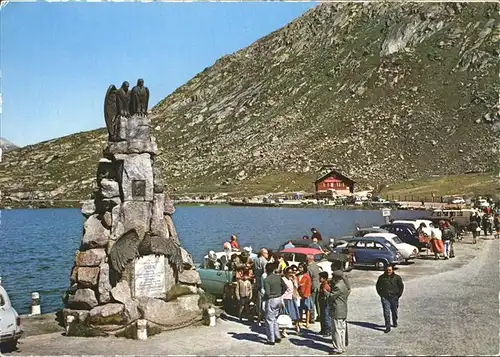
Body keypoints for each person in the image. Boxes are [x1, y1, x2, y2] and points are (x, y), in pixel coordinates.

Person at [324, 271, 350, 355]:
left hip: (337, 310)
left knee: (336, 330)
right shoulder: (344, 285)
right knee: (342, 330)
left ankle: (337, 348)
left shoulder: (337, 287)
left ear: (336, 278)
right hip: (343, 309)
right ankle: (342, 347)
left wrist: (326, 292)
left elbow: (331, 297)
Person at [263, 262, 287, 345]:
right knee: (275, 318)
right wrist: (280, 293)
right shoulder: (278, 277)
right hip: (279, 298)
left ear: (266, 270)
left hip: (271, 299)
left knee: (269, 319)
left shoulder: (267, 280)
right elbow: (285, 287)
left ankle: (271, 339)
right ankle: (277, 336)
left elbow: (267, 292)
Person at [376, 265, 404, 333]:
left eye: (390, 270)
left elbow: (401, 287)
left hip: (394, 297)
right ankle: (387, 326)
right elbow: (378, 286)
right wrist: (381, 295)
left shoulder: (397, 278)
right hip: (385, 298)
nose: (388, 271)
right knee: (386, 312)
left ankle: (394, 321)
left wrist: (398, 295)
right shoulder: (382, 278)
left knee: (394, 311)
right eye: (387, 270)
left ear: (392, 270)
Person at [281, 267, 301, 336]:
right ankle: (284, 330)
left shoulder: (291, 279)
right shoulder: (283, 279)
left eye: (291, 272)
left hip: (291, 298)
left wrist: (294, 279)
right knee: (285, 315)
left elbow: (296, 287)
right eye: (289, 272)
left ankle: (297, 327)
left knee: (295, 314)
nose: (290, 274)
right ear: (285, 273)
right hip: (285, 298)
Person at [297, 263, 313, 329]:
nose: (300, 269)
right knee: (300, 308)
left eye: (301, 267)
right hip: (299, 294)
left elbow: (308, 286)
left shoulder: (307, 276)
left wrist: (306, 294)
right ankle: (300, 320)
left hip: (306, 294)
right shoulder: (297, 275)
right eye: (299, 267)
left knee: (307, 308)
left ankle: (307, 322)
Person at [306, 254, 321, 323]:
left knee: (311, 302)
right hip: (318, 285)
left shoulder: (309, 268)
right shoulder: (316, 266)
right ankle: (320, 316)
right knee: (318, 302)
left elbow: (307, 278)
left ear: (309, 259)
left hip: (312, 286)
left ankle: (311, 318)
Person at [318, 271, 332, 337]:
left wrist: (325, 292)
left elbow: (328, 296)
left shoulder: (326, 286)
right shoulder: (322, 285)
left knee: (326, 317)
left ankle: (328, 331)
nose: (319, 279)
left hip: (326, 304)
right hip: (322, 303)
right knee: (322, 317)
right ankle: (323, 330)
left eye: (320, 278)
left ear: (324, 278)